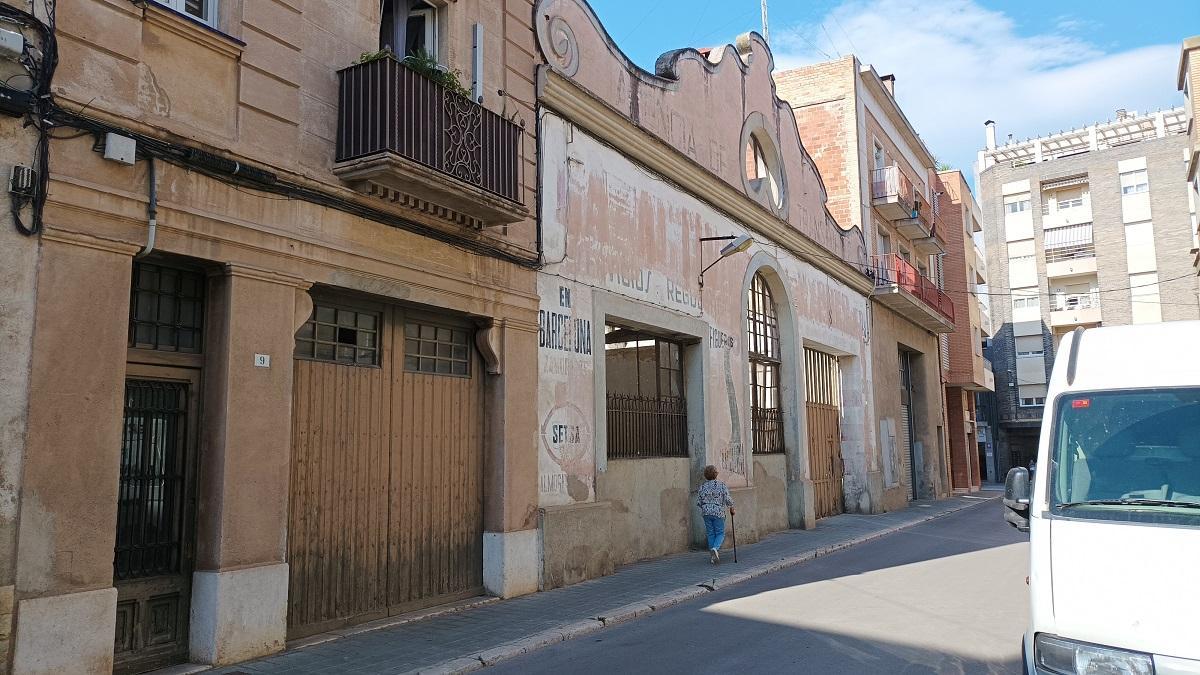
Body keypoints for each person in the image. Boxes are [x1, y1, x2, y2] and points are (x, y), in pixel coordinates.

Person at [696, 465, 735, 564]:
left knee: (710, 533)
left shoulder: (702, 486)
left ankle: (713, 557)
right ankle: (715, 548)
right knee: (720, 533)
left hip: (706, 512)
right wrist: (731, 506)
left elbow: (699, 502)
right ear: (716, 474)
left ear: (706, 475)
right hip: (718, 512)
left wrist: (706, 507)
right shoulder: (721, 485)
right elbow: (727, 499)